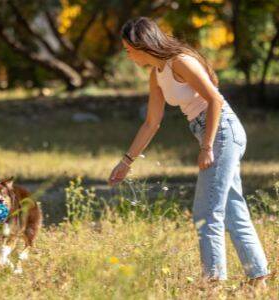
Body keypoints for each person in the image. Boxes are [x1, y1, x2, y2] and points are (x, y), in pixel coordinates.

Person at [107, 17, 270, 286]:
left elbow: (215, 99)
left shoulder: (180, 62)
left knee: (206, 212)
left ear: (141, 44)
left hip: (222, 131)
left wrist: (207, 146)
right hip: (208, 131)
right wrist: (126, 162)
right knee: (231, 207)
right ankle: (258, 279)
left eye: (128, 49)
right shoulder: (157, 74)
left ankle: (213, 284)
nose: (127, 55)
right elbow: (151, 123)